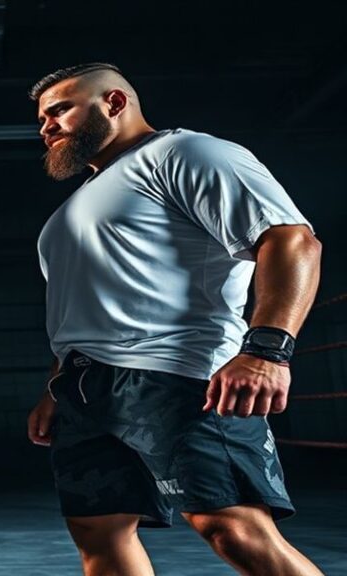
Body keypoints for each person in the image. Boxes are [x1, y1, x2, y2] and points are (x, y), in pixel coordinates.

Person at [26, 63, 324, 576]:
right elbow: (86, 303)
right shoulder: (73, 209)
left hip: (178, 375)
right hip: (85, 388)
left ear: (114, 103)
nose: (46, 126)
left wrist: (267, 351)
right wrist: (56, 386)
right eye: (41, 118)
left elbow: (292, 240)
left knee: (233, 528)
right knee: (99, 532)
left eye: (59, 110)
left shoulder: (184, 153)